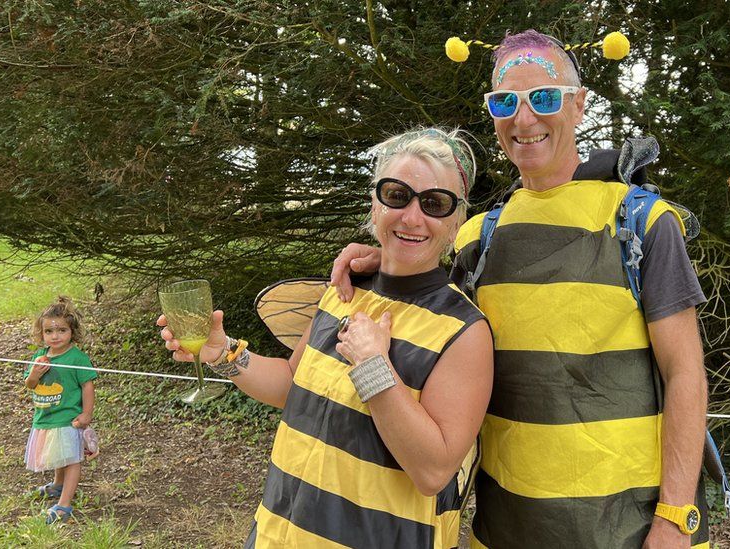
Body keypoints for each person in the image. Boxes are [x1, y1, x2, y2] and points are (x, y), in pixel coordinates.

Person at [331, 30, 710, 548]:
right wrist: (385, 259)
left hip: (628, 532)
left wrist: (674, 518)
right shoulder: (476, 236)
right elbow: (428, 303)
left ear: (578, 107)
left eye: (545, 98)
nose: (524, 118)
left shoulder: (640, 222)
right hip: (504, 529)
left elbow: (685, 371)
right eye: (506, 101)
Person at [158, 127, 494, 548]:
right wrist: (222, 352)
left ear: (456, 220)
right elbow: (289, 384)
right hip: (278, 533)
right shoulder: (344, 291)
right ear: (375, 203)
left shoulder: (464, 330)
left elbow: (433, 471)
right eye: (396, 194)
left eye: (434, 203)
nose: (412, 216)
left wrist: (373, 367)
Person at [24, 296, 97, 525]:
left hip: (68, 418)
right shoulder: (40, 356)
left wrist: (86, 414)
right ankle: (57, 484)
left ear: (72, 332)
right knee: (57, 454)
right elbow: (30, 384)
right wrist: (35, 373)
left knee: (72, 458)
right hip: (46, 416)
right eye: (49, 331)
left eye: (61, 330)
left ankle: (64, 505)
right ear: (42, 334)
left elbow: (88, 385)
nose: (55, 336)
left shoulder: (77, 358)